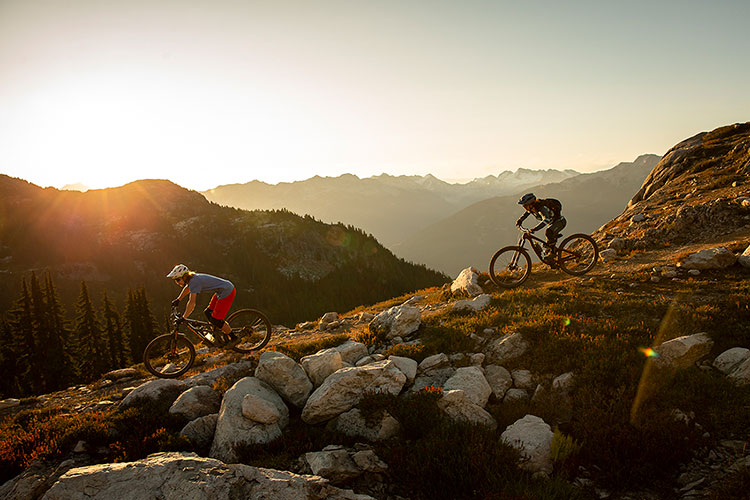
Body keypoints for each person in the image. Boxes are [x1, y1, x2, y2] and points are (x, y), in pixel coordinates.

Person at [167, 264, 238, 347]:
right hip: (221, 291)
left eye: (178, 280)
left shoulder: (194, 281)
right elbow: (188, 288)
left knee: (216, 320)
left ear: (184, 276)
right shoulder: (191, 279)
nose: (177, 283)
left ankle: (234, 338)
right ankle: (216, 335)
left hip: (227, 292)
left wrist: (184, 317)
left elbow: (192, 302)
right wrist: (178, 299)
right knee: (207, 312)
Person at [515, 193, 566, 258]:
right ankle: (552, 259)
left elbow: (546, 219)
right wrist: (520, 220)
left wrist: (535, 228)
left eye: (525, 206)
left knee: (548, 232)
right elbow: (526, 214)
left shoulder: (542, 208)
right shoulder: (532, 208)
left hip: (560, 222)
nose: (524, 208)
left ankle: (553, 253)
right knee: (546, 245)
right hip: (552, 223)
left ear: (531, 204)